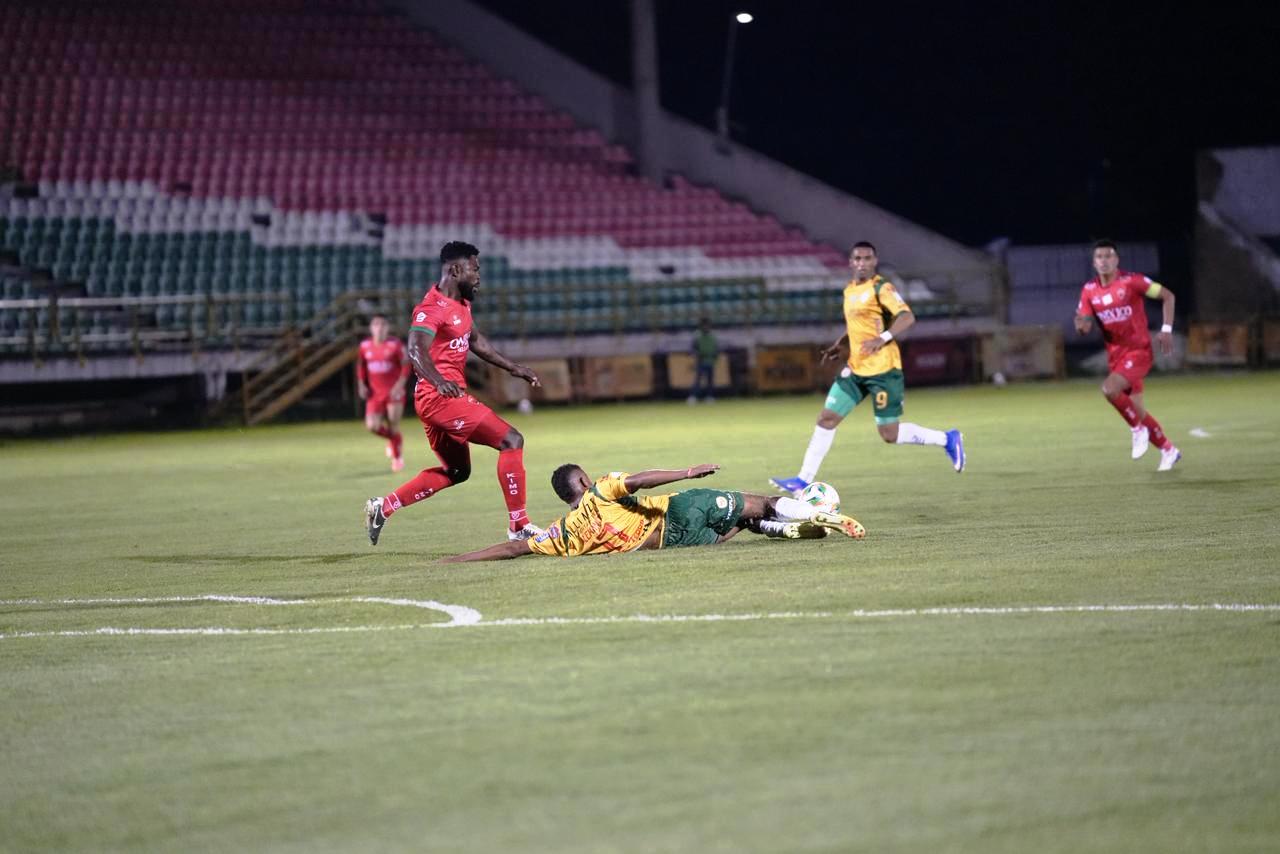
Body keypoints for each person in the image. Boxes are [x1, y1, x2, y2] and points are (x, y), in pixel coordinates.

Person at [365, 241, 544, 545]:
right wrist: (436, 379)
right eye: (475, 269)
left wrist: (512, 367)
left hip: (436, 400)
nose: (478, 276)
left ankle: (383, 507)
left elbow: (475, 340)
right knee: (511, 440)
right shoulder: (431, 308)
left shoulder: (461, 304)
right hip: (441, 398)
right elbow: (415, 348)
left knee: (457, 471)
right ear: (456, 269)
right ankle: (519, 525)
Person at [769, 241, 964, 495]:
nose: (862, 262)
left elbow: (907, 317)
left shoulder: (882, 288)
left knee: (889, 434)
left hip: (884, 371)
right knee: (826, 419)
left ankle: (947, 439)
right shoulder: (849, 290)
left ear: (875, 261)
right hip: (856, 369)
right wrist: (840, 344)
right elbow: (855, 327)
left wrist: (881, 338)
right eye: (857, 258)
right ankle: (803, 479)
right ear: (851, 262)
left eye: (867, 258)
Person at [440, 463, 866, 563]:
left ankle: (785, 532)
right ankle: (815, 513)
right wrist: (686, 471)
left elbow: (515, 548)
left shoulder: (563, 533)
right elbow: (640, 480)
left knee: (744, 522)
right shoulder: (602, 491)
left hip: (674, 545)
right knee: (759, 502)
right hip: (680, 508)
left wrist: (456, 559)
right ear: (584, 483)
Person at [1074, 239, 1180, 470]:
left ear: (1117, 260)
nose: (1104, 261)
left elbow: (1168, 296)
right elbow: (1084, 321)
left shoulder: (1133, 281)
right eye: (1099, 257)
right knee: (1137, 410)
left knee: (1109, 389)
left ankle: (1137, 430)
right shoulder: (1089, 291)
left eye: (1109, 256)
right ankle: (1168, 450)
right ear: (1094, 262)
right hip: (1117, 358)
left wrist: (1166, 329)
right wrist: (1082, 327)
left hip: (1139, 351)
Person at [356, 314, 410, 471]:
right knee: (372, 426)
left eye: (382, 325)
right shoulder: (365, 346)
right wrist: (361, 384)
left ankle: (397, 458)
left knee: (393, 423)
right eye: (376, 325)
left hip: (394, 392)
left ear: (387, 328)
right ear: (371, 328)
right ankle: (395, 440)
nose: (379, 328)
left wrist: (399, 386)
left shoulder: (395, 345)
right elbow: (361, 366)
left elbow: (406, 366)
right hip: (374, 393)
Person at [688, 317, 719, 404]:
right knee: (698, 380)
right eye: (704, 325)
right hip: (701, 361)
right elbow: (693, 348)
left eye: (708, 325)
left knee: (710, 381)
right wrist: (698, 355)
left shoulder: (713, 336)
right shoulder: (697, 335)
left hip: (710, 361)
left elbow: (716, 348)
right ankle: (693, 397)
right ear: (701, 326)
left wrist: (715, 356)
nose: (706, 327)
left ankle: (710, 397)